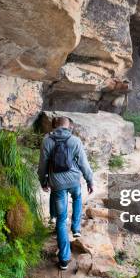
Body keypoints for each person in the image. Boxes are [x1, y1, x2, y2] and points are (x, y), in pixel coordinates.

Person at [38, 116, 94, 270]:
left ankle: (64, 259)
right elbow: (83, 163)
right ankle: (76, 228)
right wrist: (90, 180)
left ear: (54, 126)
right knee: (77, 197)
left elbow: (42, 165)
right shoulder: (74, 140)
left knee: (61, 221)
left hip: (57, 184)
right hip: (74, 181)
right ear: (68, 126)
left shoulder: (47, 141)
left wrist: (42, 181)